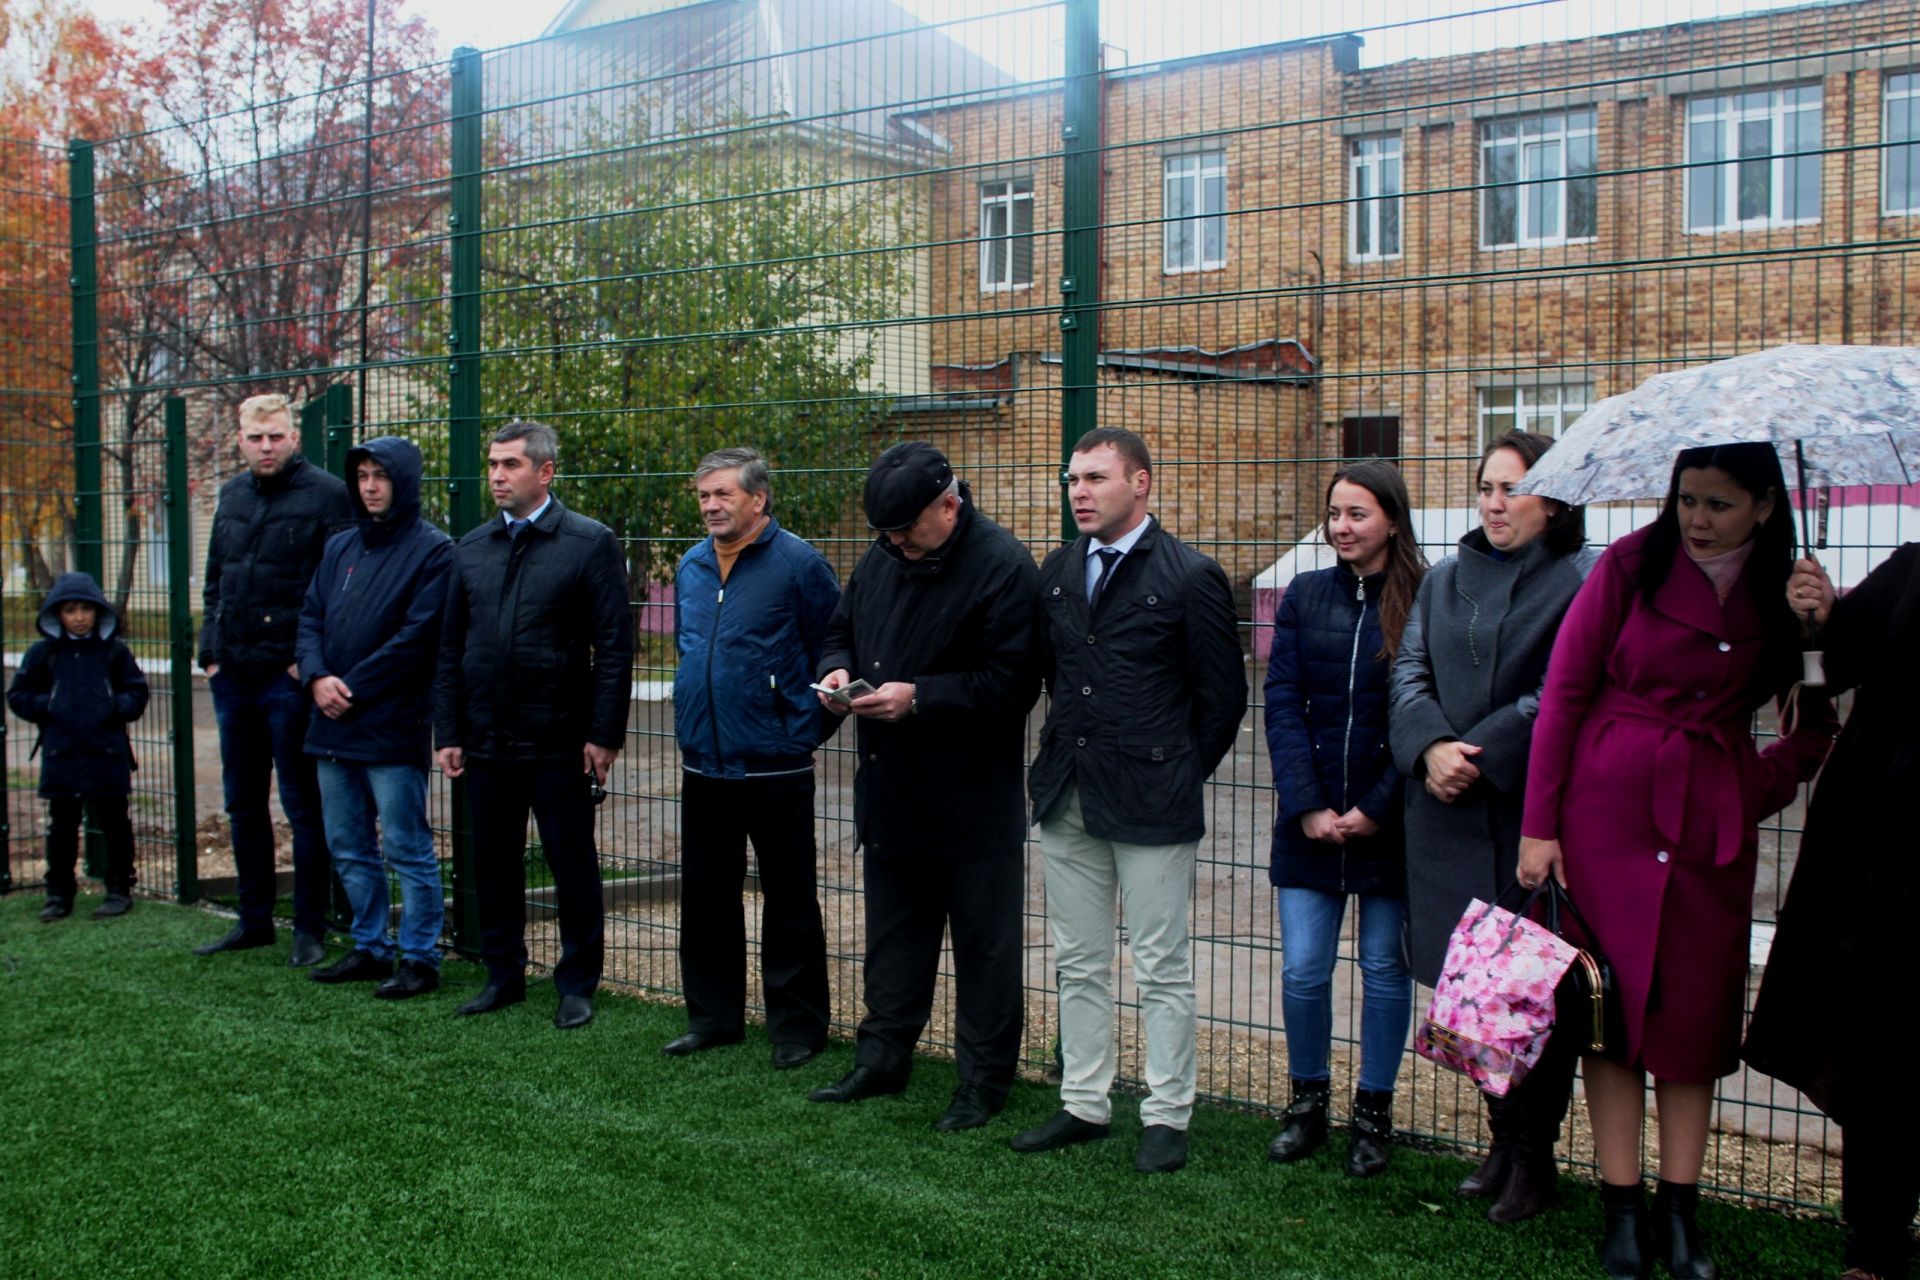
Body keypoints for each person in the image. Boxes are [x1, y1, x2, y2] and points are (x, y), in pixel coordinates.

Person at [1519, 442, 1836, 1280]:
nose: (1696, 519)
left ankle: (1680, 1212)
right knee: (1610, 1019)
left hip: (1709, 840)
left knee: (1694, 1026)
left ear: (1765, 506)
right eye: (1687, 499)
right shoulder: (1628, 565)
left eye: (1719, 504)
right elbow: (1565, 696)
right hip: (1606, 820)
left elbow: (1811, 731)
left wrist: (1815, 634)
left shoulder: (1786, 592)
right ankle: (1620, 1210)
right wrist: (1540, 828)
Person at [1013, 427, 1245, 1174]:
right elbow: (1050, 677)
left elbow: (1223, 701)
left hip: (1153, 800)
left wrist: (1173, 769)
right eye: (1072, 479)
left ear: (1140, 483)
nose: (1079, 491)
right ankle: (1083, 1101)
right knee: (1077, 959)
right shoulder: (1056, 572)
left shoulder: (1189, 576)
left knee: (1160, 963)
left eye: (1095, 478)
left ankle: (1168, 1114)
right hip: (1067, 793)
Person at [1388, 430, 1597, 1221]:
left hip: (1528, 814)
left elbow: (1564, 690)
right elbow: (1409, 672)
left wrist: (1479, 752)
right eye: (1486, 486)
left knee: (1535, 995)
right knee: (1475, 993)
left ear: (1555, 499)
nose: (1494, 502)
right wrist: (1431, 748)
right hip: (1441, 814)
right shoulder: (1444, 580)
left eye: (1512, 488)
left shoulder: (1585, 578)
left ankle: (1535, 1157)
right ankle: (1501, 1141)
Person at [806, 441, 1040, 1131]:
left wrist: (922, 698)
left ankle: (983, 1082)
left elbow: (1013, 686)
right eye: (887, 534)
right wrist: (839, 672)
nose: (898, 545)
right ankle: (881, 1060)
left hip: (972, 801)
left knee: (985, 950)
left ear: (950, 503)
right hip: (891, 790)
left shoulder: (1002, 567)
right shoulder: (882, 558)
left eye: (908, 530)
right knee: (894, 939)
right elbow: (839, 629)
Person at [1744, 542, 1920, 1280]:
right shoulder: (1912, 570)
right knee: (1881, 1053)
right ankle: (1874, 1248)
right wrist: (1818, 622)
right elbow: (1827, 675)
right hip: (1881, 862)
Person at [433, 420, 633, 1030]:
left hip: (559, 741)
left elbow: (614, 649)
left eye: (510, 465)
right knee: (492, 863)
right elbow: (448, 649)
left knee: (571, 864)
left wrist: (603, 734)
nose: (496, 475)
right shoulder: (468, 548)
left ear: (545, 472)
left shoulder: (589, 543)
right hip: (486, 740)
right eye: (492, 464)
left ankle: (577, 984)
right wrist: (449, 731)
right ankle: (503, 976)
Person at [1262, 459, 1425, 1178]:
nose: (1342, 527)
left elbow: (1423, 715)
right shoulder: (1304, 595)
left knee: (1385, 970)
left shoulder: (1425, 600)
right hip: (1311, 823)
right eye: (1334, 513)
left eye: (1357, 513)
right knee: (1303, 970)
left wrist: (1377, 807)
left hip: (1391, 824)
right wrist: (1308, 806)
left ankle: (1373, 1113)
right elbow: (1282, 704)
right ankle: (1306, 1105)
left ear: (1391, 517)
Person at [662, 446, 840, 1069]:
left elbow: (833, 653)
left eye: (723, 495)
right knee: (707, 897)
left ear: (758, 499)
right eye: (704, 495)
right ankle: (713, 1018)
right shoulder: (690, 566)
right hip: (703, 762)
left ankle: (797, 1028)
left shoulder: (799, 565)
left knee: (789, 899)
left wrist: (800, 731)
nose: (711, 506)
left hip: (776, 766)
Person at [194, 393, 354, 965]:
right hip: (233, 675)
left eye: (277, 437)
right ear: (241, 438)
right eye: (256, 438)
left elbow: (341, 586)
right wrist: (210, 653)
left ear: (294, 438)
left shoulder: (329, 496)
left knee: (301, 804)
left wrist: (306, 662)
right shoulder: (232, 495)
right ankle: (253, 920)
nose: (266, 447)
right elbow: (217, 577)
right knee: (242, 803)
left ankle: (309, 928)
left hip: (290, 680)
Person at [296, 437, 453, 999]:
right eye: (361, 475)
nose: (369, 486)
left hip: (390, 725)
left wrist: (351, 686)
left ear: (404, 481)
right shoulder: (339, 546)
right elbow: (310, 616)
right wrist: (316, 677)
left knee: (406, 846)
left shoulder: (435, 551)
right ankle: (368, 946)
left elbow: (417, 638)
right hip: (330, 722)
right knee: (347, 842)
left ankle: (419, 957)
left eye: (380, 475)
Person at [7, 573, 150, 922]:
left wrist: (116, 706)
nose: (80, 617)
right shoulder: (44, 653)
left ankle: (119, 890)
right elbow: (18, 695)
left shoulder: (113, 651)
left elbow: (137, 691)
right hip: (62, 752)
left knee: (115, 823)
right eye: (71, 610)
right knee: (62, 827)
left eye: (86, 609)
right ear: (58, 615)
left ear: (98, 611)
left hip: (107, 751)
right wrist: (47, 704)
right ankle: (58, 894)